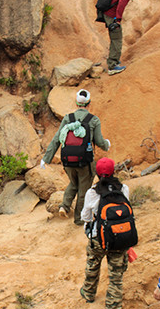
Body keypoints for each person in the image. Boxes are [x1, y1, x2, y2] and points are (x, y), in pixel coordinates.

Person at [40, 88, 110, 225]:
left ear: (76, 103)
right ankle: (79, 219)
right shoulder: (93, 120)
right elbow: (100, 142)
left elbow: (56, 140)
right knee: (83, 189)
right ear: (89, 103)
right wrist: (107, 145)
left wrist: (46, 159)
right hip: (85, 161)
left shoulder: (68, 118)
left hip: (67, 161)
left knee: (73, 183)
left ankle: (64, 206)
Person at [79, 157, 130, 309]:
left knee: (93, 265)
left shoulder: (92, 192)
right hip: (119, 238)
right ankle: (113, 308)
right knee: (116, 275)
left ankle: (88, 293)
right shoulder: (124, 189)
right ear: (114, 172)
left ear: (97, 174)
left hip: (98, 238)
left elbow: (85, 216)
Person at [103, 0, 150, 75]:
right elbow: (121, 3)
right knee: (117, 39)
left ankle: (113, 60)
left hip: (108, 13)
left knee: (115, 38)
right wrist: (118, 20)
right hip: (112, 15)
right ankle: (112, 66)